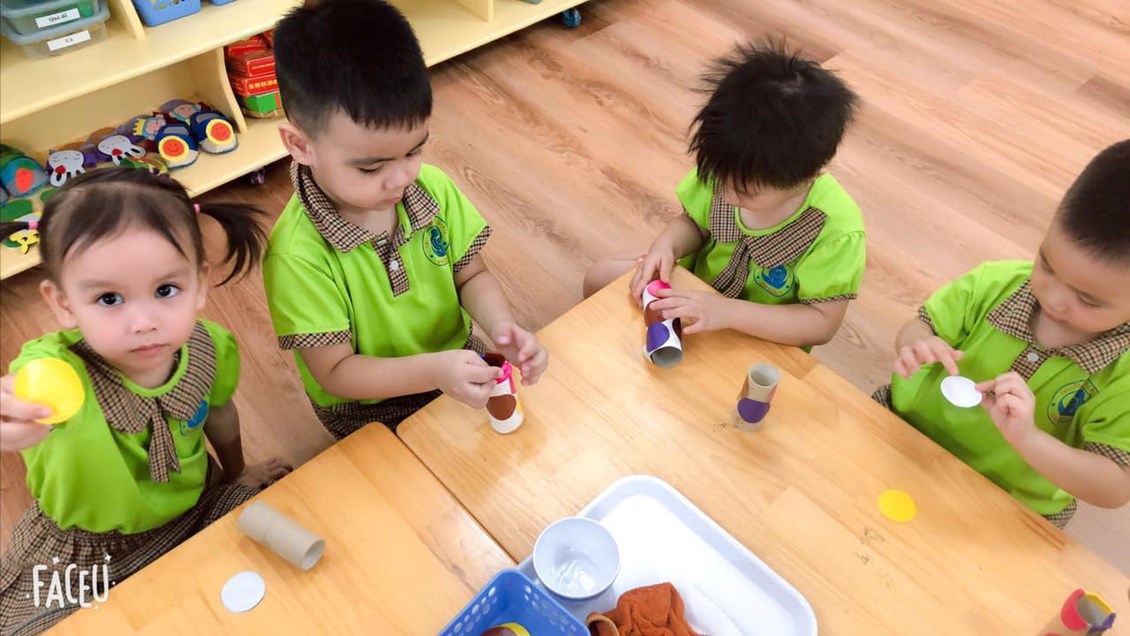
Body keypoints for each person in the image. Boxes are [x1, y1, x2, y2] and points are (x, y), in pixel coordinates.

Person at [0, 168, 291, 633]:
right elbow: (20, 387)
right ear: (63, 304)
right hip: (86, 550)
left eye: (165, 290)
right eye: (109, 298)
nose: (143, 321)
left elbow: (219, 413)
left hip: (193, 507)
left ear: (199, 285)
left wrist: (237, 472)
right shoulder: (56, 371)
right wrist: (12, 407)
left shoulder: (210, 347)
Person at [265, 0, 548, 439]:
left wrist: (501, 326)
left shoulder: (433, 188)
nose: (402, 178)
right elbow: (336, 372)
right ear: (301, 146)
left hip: (454, 361)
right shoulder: (296, 257)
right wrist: (434, 371)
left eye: (414, 150)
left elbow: (471, 275)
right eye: (370, 168)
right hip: (368, 407)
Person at [876, 140, 1130, 527]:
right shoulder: (995, 283)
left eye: (1088, 300)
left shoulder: (1122, 376)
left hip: (1011, 502)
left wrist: (1029, 438)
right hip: (905, 431)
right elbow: (920, 327)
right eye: (1047, 265)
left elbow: (1113, 488)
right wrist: (917, 343)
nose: (1054, 299)